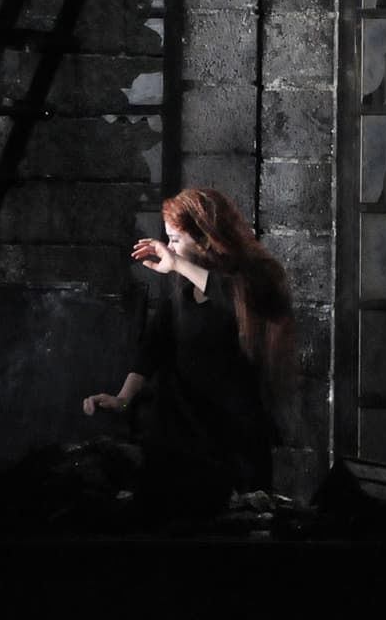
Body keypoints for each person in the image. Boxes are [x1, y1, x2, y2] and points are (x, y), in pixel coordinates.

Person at [83, 187, 294, 511]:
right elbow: (152, 349)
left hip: (234, 441)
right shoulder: (181, 297)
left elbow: (230, 298)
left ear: (205, 240)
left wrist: (177, 265)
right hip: (187, 440)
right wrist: (122, 398)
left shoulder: (250, 284)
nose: (169, 249)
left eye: (175, 239)